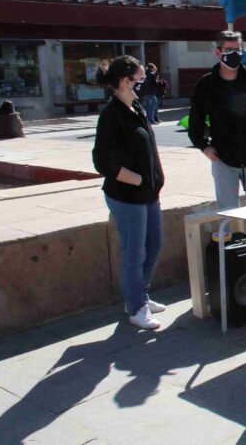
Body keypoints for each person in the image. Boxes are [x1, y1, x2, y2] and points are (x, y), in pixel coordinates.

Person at [92, 56, 166, 330]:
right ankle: (136, 307)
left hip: (148, 195)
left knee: (154, 245)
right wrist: (136, 180)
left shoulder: (136, 107)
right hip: (126, 197)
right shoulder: (111, 116)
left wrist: (153, 180)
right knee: (134, 253)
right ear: (125, 81)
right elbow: (102, 161)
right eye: (139, 78)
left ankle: (139, 295)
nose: (142, 83)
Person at [188, 31, 246, 239]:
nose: (234, 54)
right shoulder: (206, 85)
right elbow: (195, 121)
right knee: (227, 215)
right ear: (218, 52)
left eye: (238, 49)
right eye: (229, 50)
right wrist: (203, 146)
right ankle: (230, 261)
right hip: (223, 159)